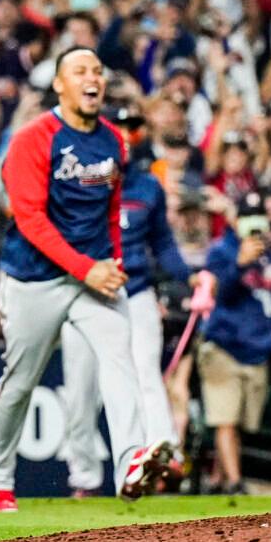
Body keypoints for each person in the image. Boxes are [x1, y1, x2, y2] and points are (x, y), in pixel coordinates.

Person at [0, 47, 172, 513]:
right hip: (35, 278)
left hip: (94, 278)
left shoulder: (113, 142)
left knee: (120, 357)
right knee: (20, 381)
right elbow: (29, 219)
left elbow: (109, 214)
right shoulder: (32, 138)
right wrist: (87, 267)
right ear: (60, 85)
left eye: (97, 72)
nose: (92, 78)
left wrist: (114, 263)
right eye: (80, 71)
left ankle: (130, 461)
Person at [60, 105, 193, 497]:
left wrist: (190, 275)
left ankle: (163, 459)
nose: (127, 133)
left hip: (134, 291)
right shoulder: (83, 177)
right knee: (81, 389)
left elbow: (163, 243)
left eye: (134, 126)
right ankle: (83, 477)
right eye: (119, 127)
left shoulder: (148, 185)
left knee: (146, 376)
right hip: (82, 292)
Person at [199, 191, 271, 494]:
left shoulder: (270, 256)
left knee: (244, 425)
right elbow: (222, 296)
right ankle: (234, 483)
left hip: (257, 349)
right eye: (247, 217)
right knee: (226, 421)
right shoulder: (221, 250)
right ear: (237, 221)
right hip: (224, 346)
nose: (254, 224)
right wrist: (240, 263)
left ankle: (219, 479)